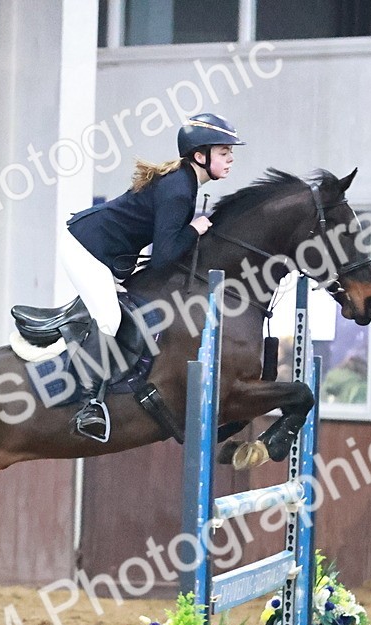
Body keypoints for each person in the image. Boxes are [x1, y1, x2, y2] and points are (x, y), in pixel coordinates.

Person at [62, 112, 245, 442]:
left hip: (102, 252)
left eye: (229, 152)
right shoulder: (178, 189)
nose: (231, 158)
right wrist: (194, 228)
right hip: (84, 248)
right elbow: (164, 255)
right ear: (199, 156)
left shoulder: (185, 183)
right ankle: (89, 406)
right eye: (223, 152)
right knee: (108, 319)